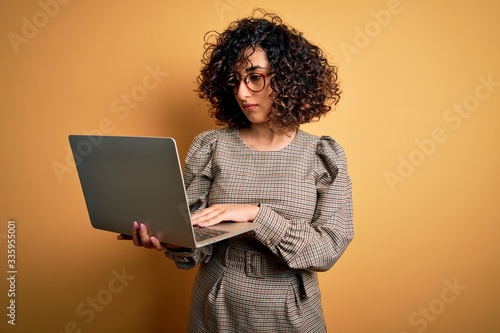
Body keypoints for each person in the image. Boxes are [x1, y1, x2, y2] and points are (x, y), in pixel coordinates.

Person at [118, 9, 354, 333]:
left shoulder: (322, 155)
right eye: (236, 80)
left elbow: (327, 250)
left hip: (289, 314)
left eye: (255, 77)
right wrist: (171, 240)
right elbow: (196, 240)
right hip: (216, 309)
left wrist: (257, 215)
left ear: (288, 78)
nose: (243, 93)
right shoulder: (211, 147)